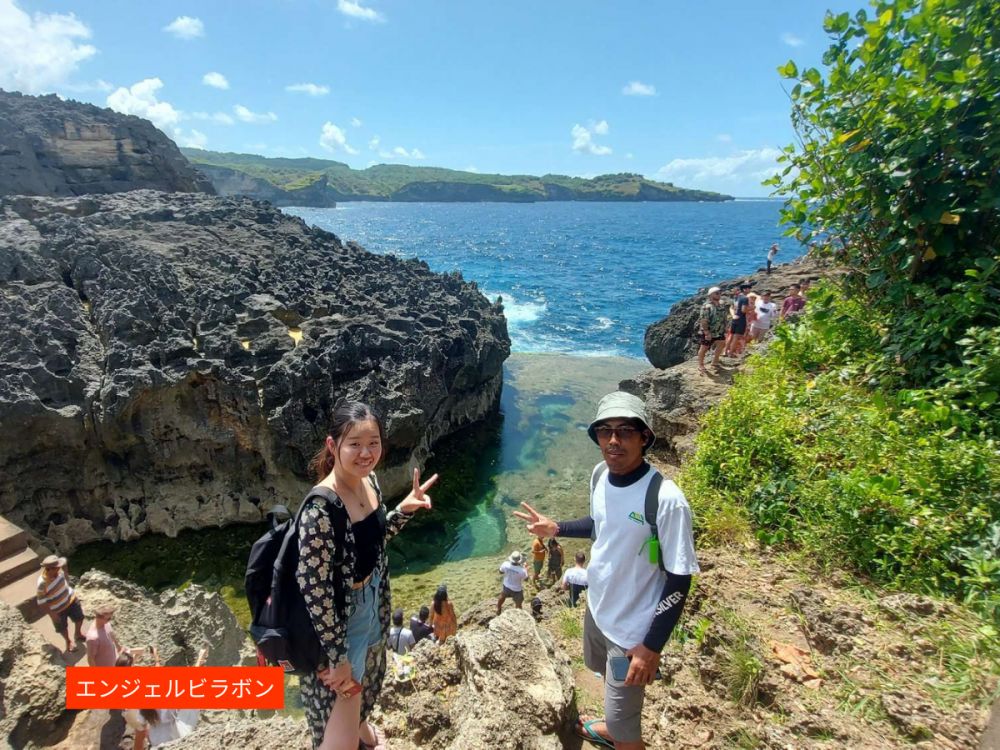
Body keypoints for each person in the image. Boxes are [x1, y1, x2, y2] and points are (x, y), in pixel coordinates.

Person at [514, 391, 699, 750]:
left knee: (626, 727)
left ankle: (620, 733)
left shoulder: (666, 499)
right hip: (598, 610)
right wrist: (557, 528)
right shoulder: (600, 474)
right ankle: (613, 726)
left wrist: (650, 648)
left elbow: (679, 577)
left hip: (631, 634)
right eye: (605, 431)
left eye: (626, 431)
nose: (613, 440)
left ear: (645, 436)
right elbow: (601, 524)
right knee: (603, 678)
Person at [296, 400, 437, 750]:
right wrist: (337, 657)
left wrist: (404, 508)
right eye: (354, 444)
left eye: (373, 442)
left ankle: (361, 730)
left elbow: (372, 543)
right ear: (333, 446)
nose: (366, 453)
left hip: (374, 598)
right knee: (344, 692)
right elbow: (315, 595)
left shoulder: (369, 481)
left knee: (370, 676)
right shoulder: (321, 512)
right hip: (344, 622)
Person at [125, 646, 207, 749]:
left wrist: (155, 656)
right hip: (174, 739)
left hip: (156, 742)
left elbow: (140, 735)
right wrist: (199, 660)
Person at [36, 555, 85, 652]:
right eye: (57, 568)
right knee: (62, 627)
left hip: (71, 600)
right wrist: (52, 614)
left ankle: (78, 634)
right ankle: (68, 641)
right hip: (57, 609)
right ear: (49, 569)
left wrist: (65, 571)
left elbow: (64, 562)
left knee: (80, 617)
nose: (59, 569)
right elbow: (41, 602)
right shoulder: (42, 583)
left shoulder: (59, 572)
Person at [696, 287, 728, 375]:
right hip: (709, 332)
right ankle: (701, 365)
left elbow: (724, 316)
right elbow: (704, 320)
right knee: (704, 348)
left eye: (719, 293)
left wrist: (725, 326)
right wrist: (706, 332)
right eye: (716, 293)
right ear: (710, 295)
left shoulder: (721, 304)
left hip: (719, 331)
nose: (719, 294)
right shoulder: (707, 307)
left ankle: (715, 362)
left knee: (722, 343)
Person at [724, 282, 752, 358]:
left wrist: (733, 315)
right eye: (749, 288)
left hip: (734, 319)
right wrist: (751, 308)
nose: (750, 290)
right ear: (745, 289)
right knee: (736, 337)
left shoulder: (736, 297)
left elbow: (732, 307)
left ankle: (725, 351)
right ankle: (731, 353)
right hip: (741, 320)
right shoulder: (745, 298)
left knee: (731, 336)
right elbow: (743, 310)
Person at [497, 550, 528, 615]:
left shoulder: (505, 564)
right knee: (518, 602)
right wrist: (525, 568)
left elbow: (500, 572)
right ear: (519, 560)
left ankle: (498, 608)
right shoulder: (522, 570)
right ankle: (517, 614)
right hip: (517, 589)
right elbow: (526, 579)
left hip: (506, 586)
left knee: (502, 596)